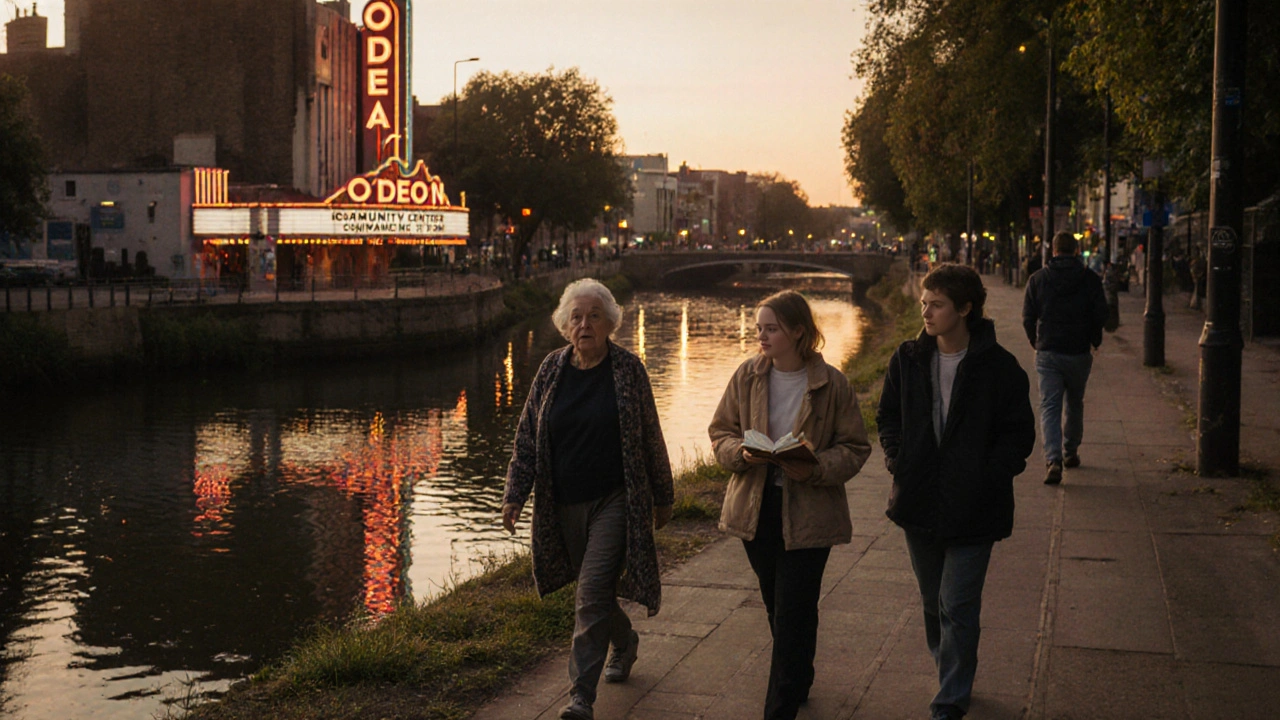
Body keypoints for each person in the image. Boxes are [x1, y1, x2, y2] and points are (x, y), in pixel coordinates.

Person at [502, 278, 674, 720]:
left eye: (594, 316)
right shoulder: (550, 370)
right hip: (561, 503)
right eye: (576, 317)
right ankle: (625, 640)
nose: (585, 324)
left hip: (615, 500)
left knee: (592, 592)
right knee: (592, 593)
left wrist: (663, 495)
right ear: (564, 325)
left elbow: (651, 435)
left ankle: (581, 697)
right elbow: (527, 438)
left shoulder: (628, 369)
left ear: (609, 323)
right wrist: (514, 495)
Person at [876, 264, 1036, 720]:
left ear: (965, 309)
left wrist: (989, 475)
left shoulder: (999, 368)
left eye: (937, 304)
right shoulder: (907, 358)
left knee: (957, 604)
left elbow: (1018, 434)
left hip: (974, 507)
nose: (925, 310)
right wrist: (897, 457)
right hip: (919, 499)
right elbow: (888, 416)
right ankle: (952, 669)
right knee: (932, 603)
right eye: (924, 302)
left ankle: (950, 698)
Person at [709, 290, 871, 720]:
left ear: (798, 332)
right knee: (777, 605)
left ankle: (778, 708)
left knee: (794, 609)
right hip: (756, 508)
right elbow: (720, 431)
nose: (760, 335)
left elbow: (855, 447)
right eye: (759, 327)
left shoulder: (832, 384)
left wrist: (815, 468)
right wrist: (739, 454)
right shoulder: (747, 376)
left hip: (809, 514)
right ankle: (797, 674)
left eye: (771, 328)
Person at [1022, 231, 1109, 484]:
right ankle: (1071, 451)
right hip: (1079, 351)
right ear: (1076, 250)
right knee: (1075, 402)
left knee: (1049, 406)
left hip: (1048, 350)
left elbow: (1028, 316)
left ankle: (1053, 458)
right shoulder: (1090, 280)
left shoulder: (1038, 280)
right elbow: (1101, 313)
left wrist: (1034, 341)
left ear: (1053, 251)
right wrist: (1094, 339)